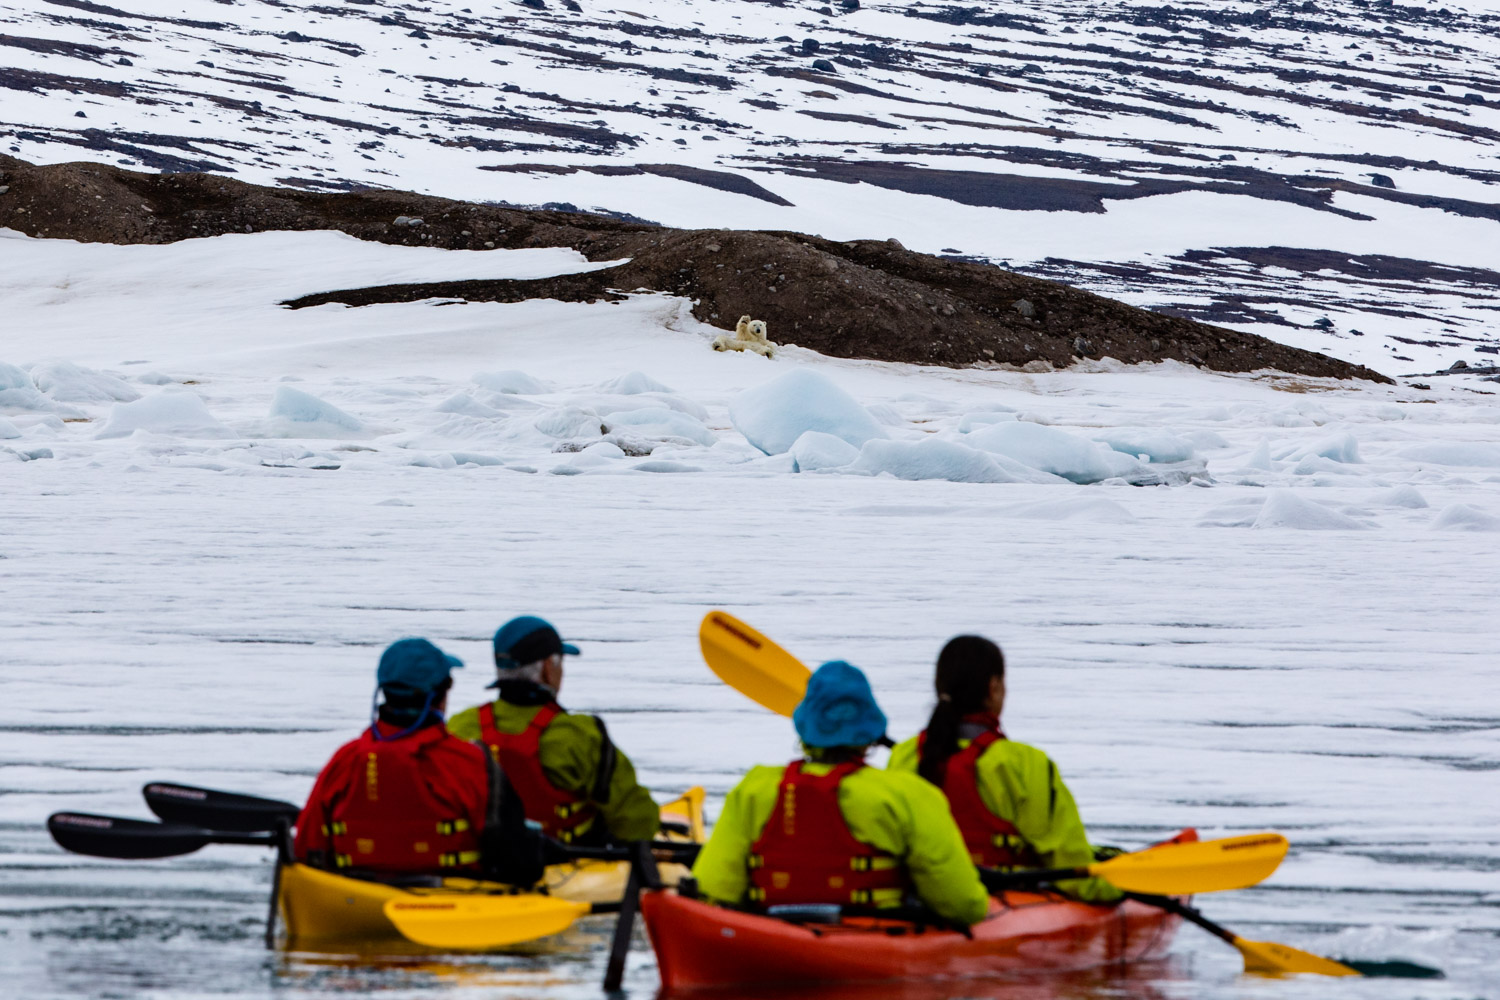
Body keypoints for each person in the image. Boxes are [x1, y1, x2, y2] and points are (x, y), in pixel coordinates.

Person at [691, 660, 989, 926]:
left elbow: (710, 891)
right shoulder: (908, 795)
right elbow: (964, 906)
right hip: (873, 942)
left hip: (770, 936)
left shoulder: (753, 790)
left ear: (805, 728)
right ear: (870, 729)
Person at [887, 635, 1120, 903]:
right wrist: (1120, 892)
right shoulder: (1023, 763)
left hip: (921, 902)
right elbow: (1069, 866)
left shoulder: (904, 756)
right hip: (1008, 901)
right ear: (994, 687)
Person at [294, 637, 543, 884]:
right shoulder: (470, 763)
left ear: (384, 693)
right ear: (441, 696)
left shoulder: (344, 761)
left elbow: (305, 848)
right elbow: (518, 864)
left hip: (356, 899)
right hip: (457, 903)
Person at [448, 616, 659, 845]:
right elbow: (635, 818)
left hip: (484, 864)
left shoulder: (460, 726)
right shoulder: (579, 734)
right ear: (549, 668)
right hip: (569, 865)